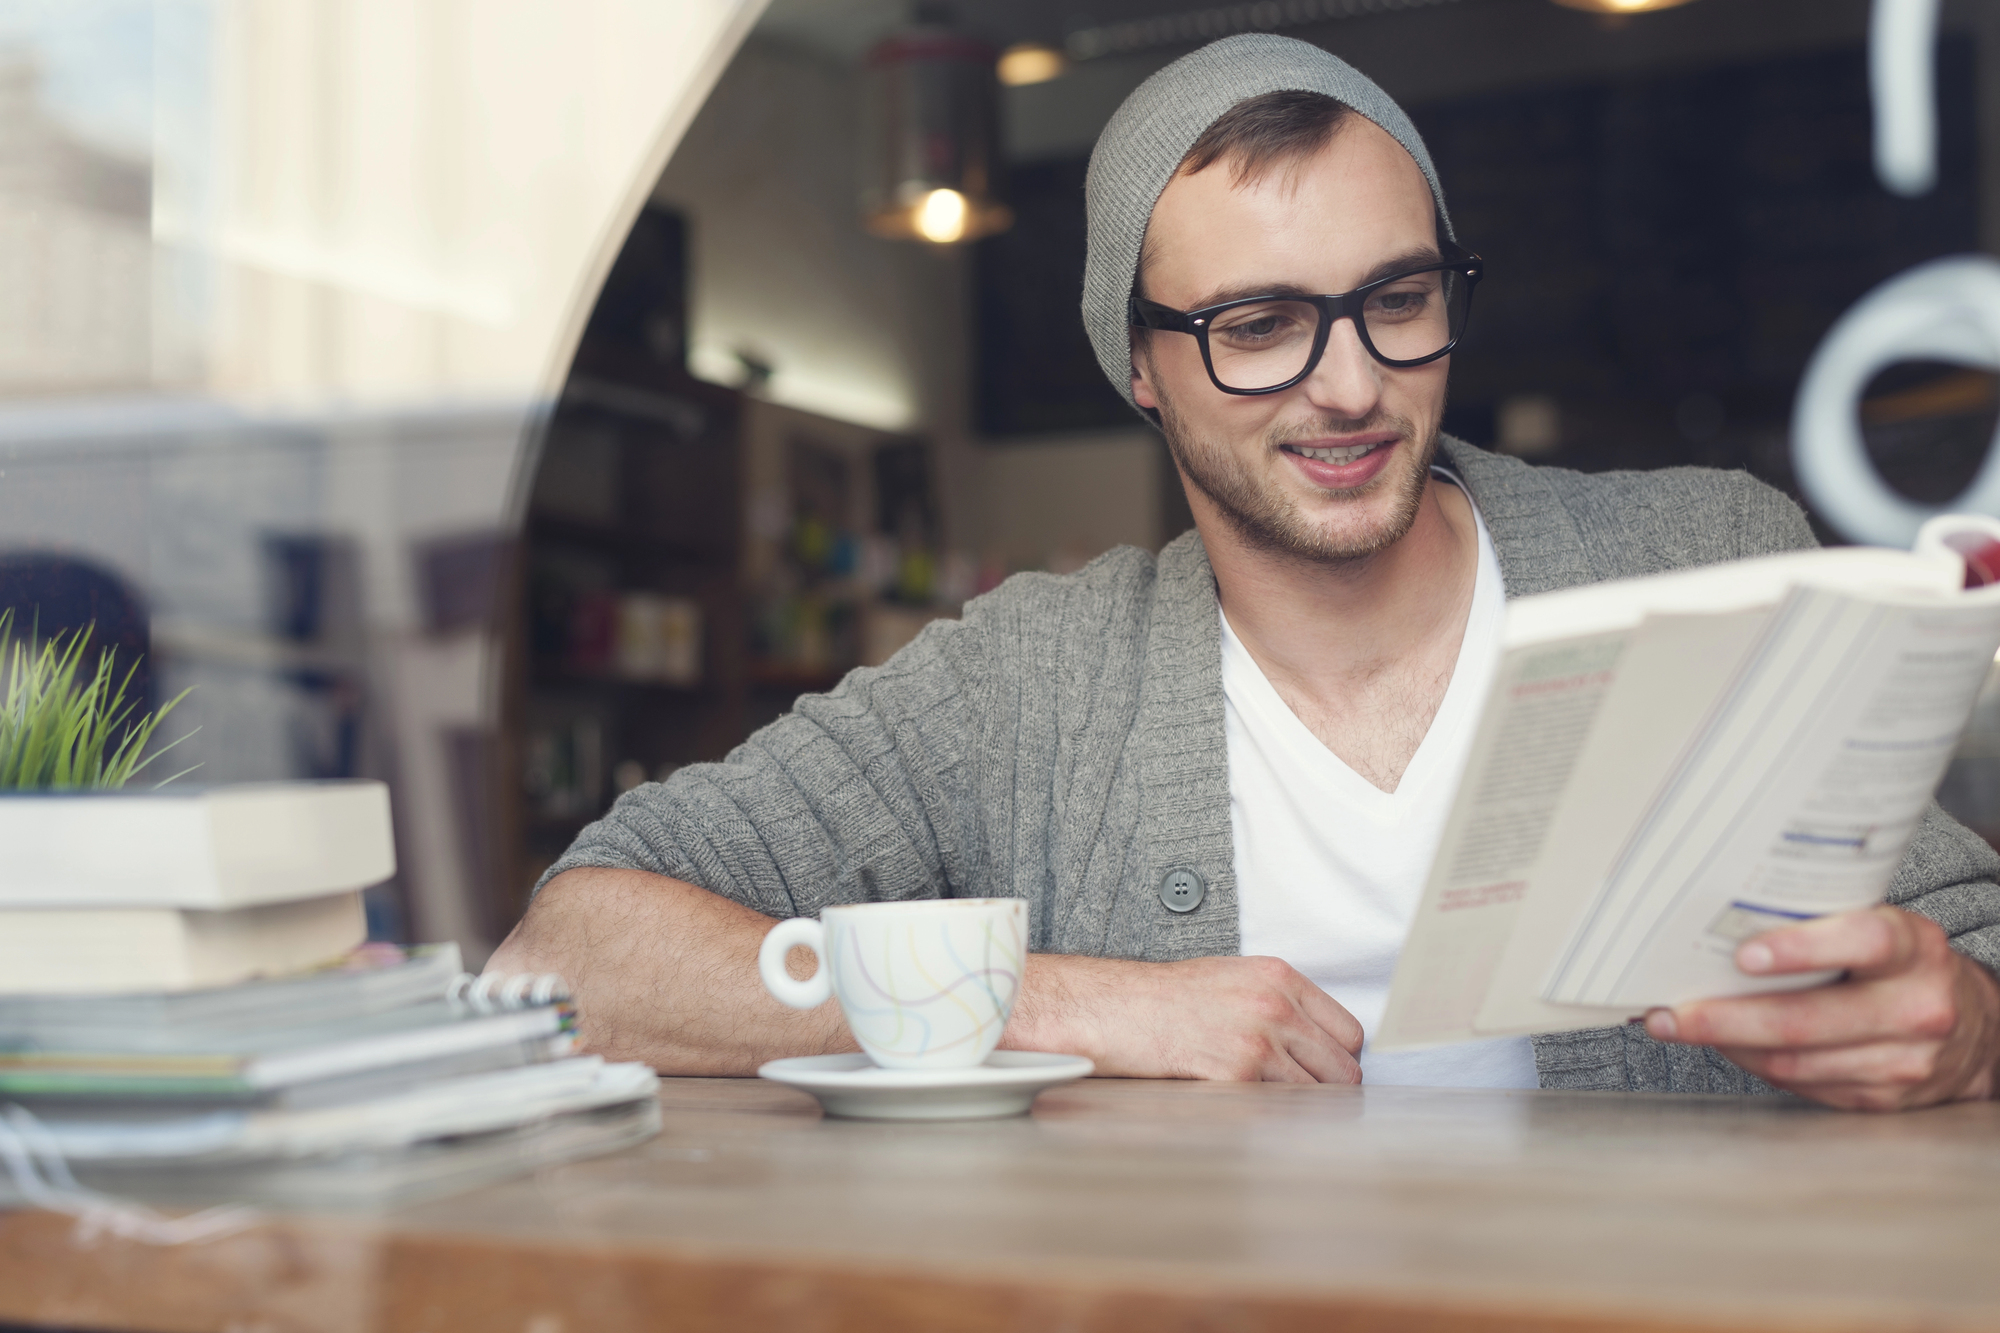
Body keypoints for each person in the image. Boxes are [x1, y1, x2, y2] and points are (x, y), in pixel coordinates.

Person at [492, 33, 2000, 1110]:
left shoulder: (1706, 553)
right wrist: (1068, 1004)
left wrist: (1966, 1022)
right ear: (1140, 365)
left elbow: (1967, 946)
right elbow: (576, 949)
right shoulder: (1031, 680)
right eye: (1259, 324)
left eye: (1398, 298)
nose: (1349, 385)